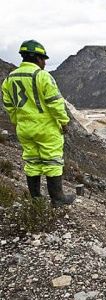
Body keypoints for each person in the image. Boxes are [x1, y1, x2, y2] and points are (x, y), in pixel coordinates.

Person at [1, 40, 75, 207]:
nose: (45, 62)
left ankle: (36, 199)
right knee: (53, 160)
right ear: (36, 58)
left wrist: (18, 123)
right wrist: (64, 122)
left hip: (24, 129)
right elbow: (55, 104)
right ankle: (57, 198)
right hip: (46, 128)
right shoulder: (42, 76)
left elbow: (9, 106)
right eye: (43, 58)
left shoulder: (9, 79)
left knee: (32, 161)